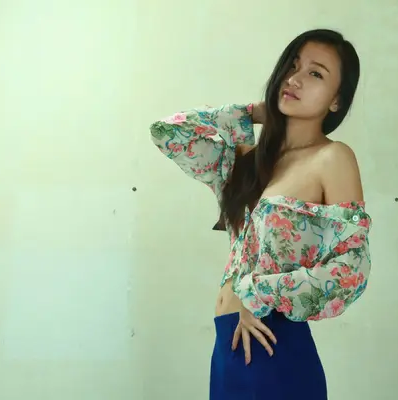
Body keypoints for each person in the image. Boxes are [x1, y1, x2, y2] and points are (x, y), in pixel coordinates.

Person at [150, 28, 371, 400]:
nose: (294, 79)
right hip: (228, 346)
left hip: (272, 345)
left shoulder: (332, 158)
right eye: (292, 66)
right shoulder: (247, 160)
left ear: (336, 100)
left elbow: (352, 268)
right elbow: (166, 132)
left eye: (315, 74)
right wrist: (250, 113)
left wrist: (258, 293)